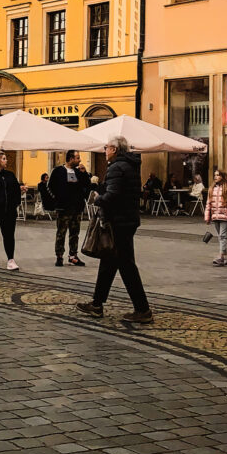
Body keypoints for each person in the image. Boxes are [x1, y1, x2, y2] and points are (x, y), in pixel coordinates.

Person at [76, 137, 152, 325]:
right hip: (127, 219)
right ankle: (97, 304)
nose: (104, 150)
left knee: (126, 266)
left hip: (119, 222)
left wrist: (98, 198)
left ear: (115, 149)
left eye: (107, 147)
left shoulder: (116, 167)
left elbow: (113, 195)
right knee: (109, 262)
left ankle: (143, 310)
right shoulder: (130, 166)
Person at [45, 152, 92, 268]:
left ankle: (73, 256)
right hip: (63, 208)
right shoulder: (58, 171)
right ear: (70, 159)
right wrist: (57, 199)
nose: (79, 160)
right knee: (61, 232)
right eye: (77, 158)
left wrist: (84, 173)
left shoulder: (78, 172)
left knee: (75, 233)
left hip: (76, 208)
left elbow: (87, 184)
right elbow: (50, 186)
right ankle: (59, 256)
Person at [203, 173, 227, 267]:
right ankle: (226, 256)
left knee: (222, 236)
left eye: (218, 175)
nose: (215, 177)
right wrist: (207, 217)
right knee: (220, 236)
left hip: (225, 216)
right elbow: (208, 204)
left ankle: (220, 257)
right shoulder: (212, 189)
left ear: (223, 177)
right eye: (214, 175)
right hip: (215, 216)